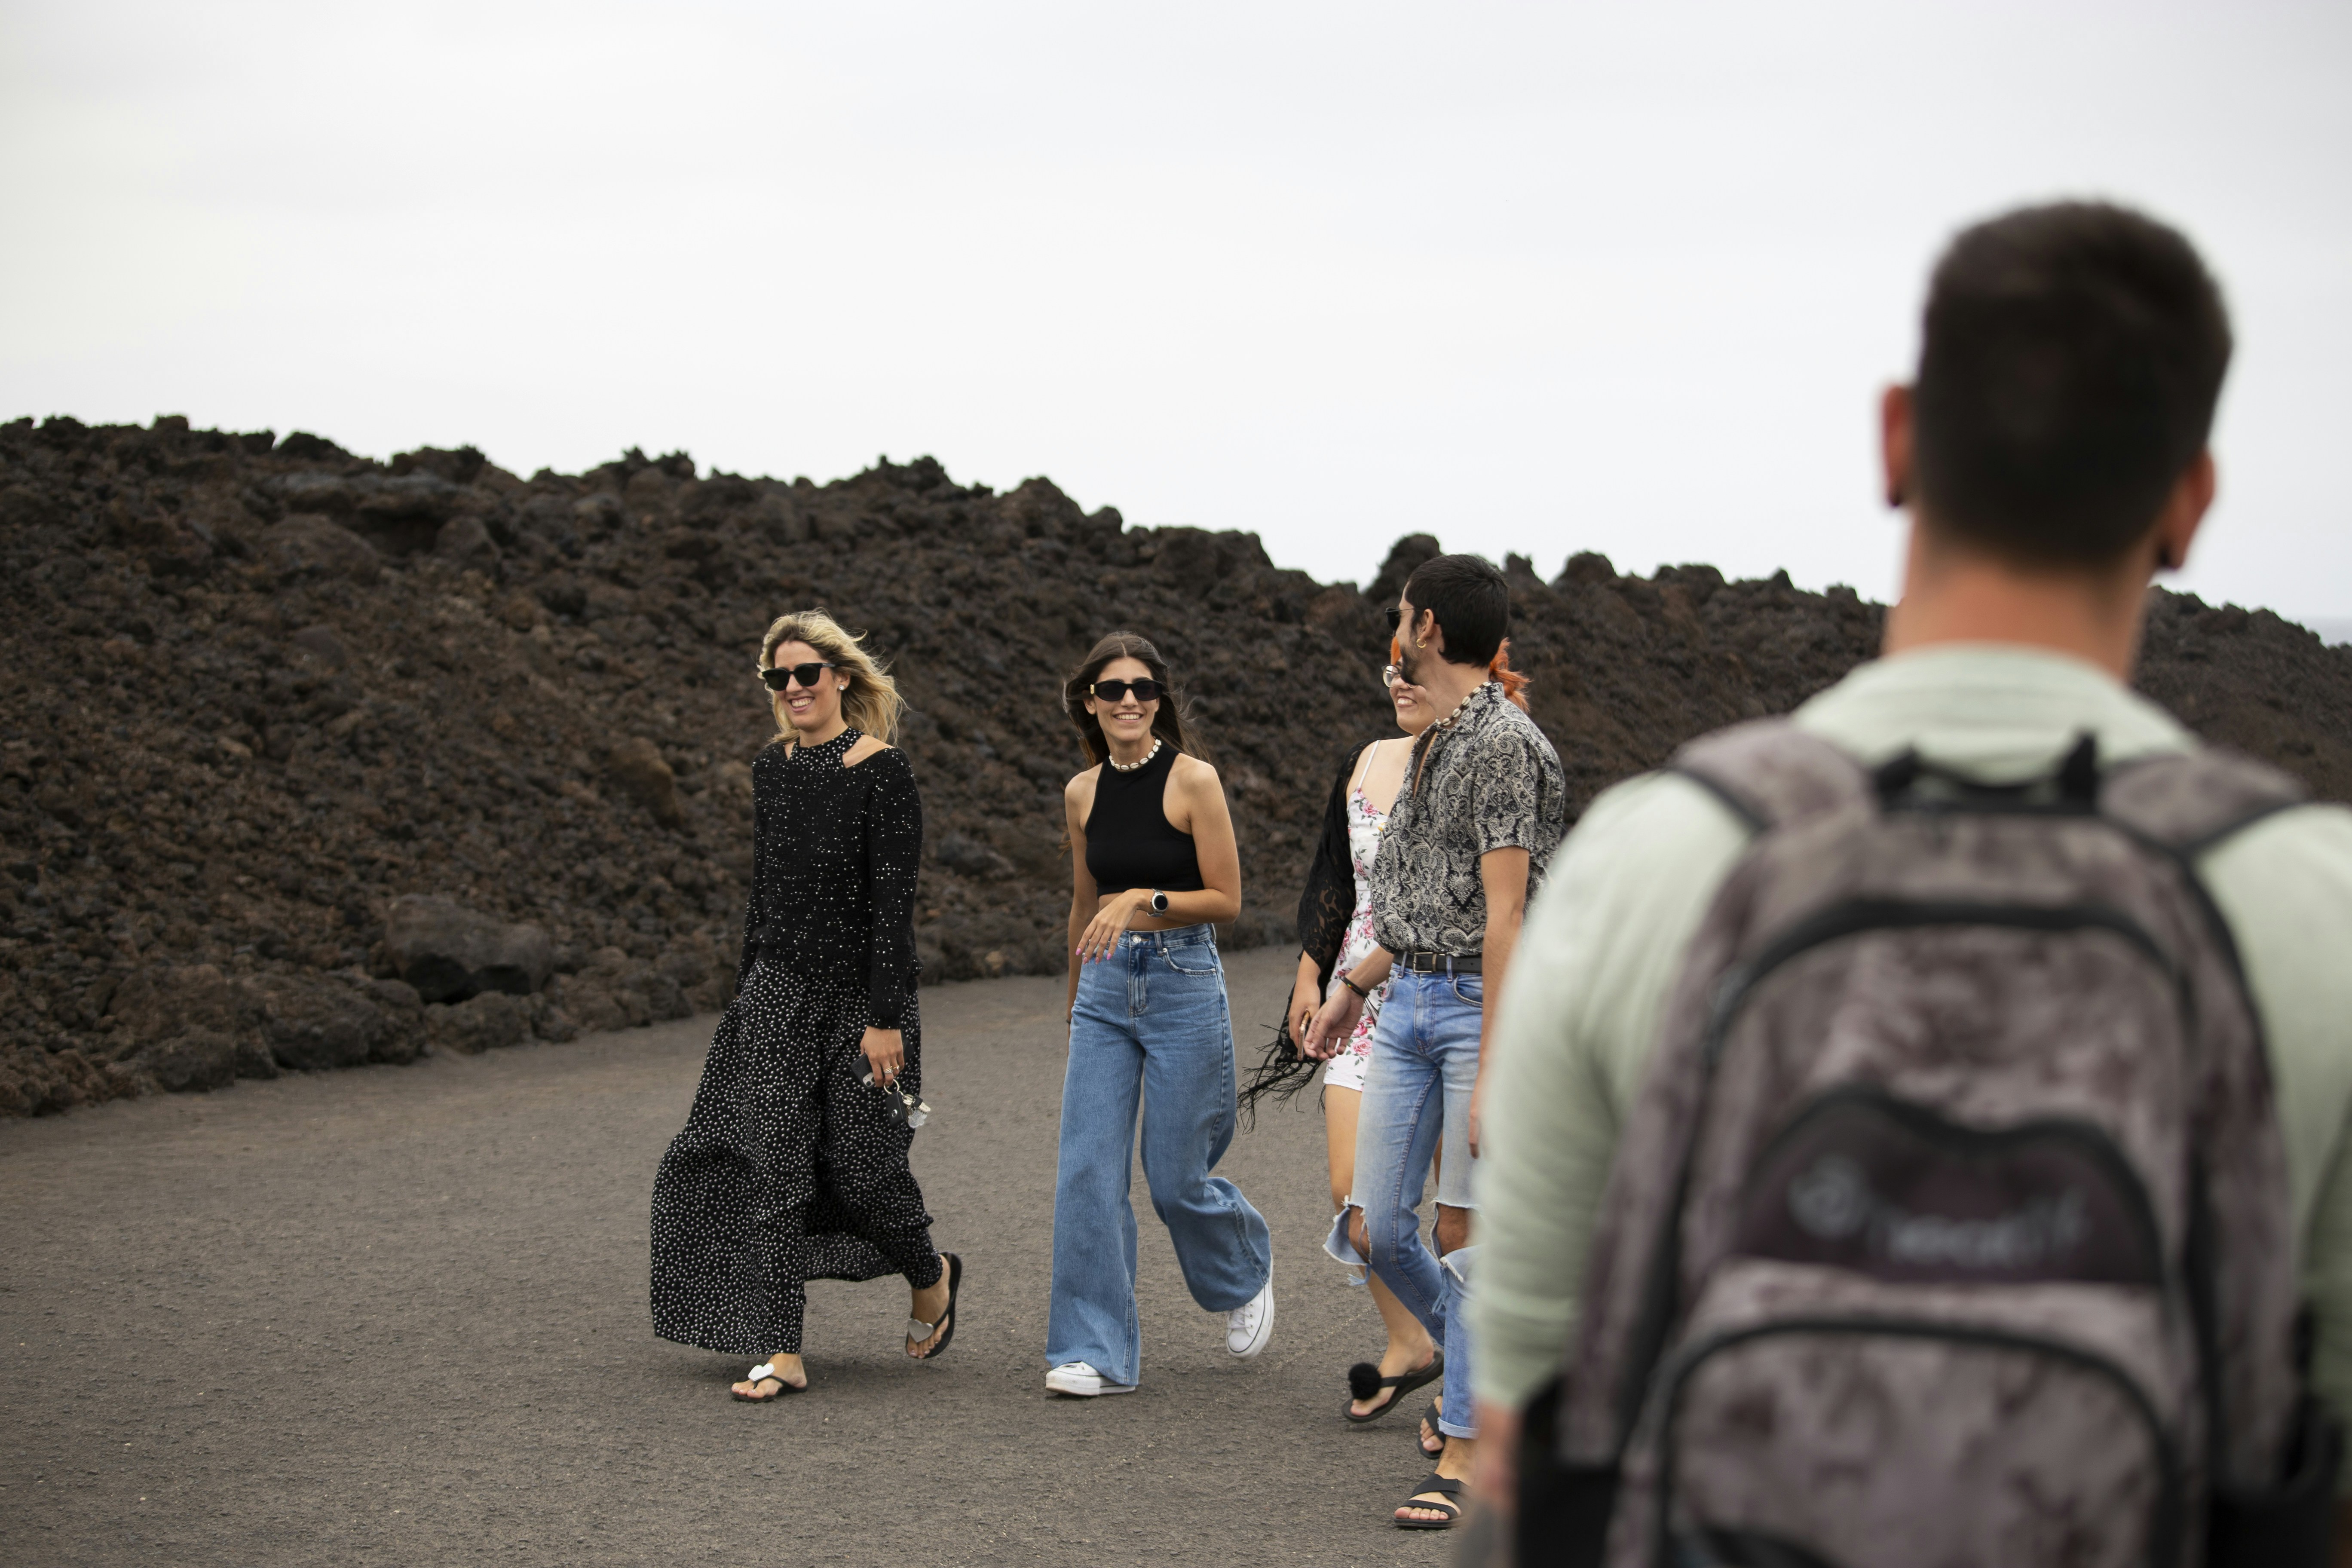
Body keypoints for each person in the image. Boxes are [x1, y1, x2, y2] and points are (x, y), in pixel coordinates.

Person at [1469, 202, 2352, 1560]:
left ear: (1896, 440)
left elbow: (1530, 1438)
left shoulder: (1656, 861)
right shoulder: (2311, 909)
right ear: (2190, 502)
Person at [1305, 564, 1567, 1528]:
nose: (1396, 631)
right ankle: (1498, 1367)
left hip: (1471, 1011)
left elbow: (1506, 917)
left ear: (1429, 626)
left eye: (1404, 615)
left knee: (1468, 1252)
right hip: (1405, 996)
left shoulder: (1504, 746)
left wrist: (1500, 1061)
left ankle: (1462, 1455)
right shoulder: (1437, 739)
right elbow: (1416, 896)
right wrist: (1351, 990)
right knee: (1374, 1225)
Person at [649, 609, 960, 1400]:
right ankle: (780, 1348)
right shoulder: (773, 768)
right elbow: (766, 894)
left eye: (806, 674)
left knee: (864, 1170)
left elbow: (894, 907)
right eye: (777, 678)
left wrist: (885, 1018)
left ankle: (930, 1272)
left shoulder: (884, 772)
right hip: (777, 997)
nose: (792, 688)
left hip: (862, 1002)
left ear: (842, 679)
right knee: (771, 1168)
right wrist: (746, 993)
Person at [1045, 632, 1274, 1398]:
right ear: (1091, 702)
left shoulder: (1193, 781)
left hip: (1182, 983)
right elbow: (1084, 905)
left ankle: (1241, 1271)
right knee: (1086, 1171)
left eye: (1144, 688)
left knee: (1175, 1177)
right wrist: (1076, 1003)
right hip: (1105, 994)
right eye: (1113, 690)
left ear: (1159, 699)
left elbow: (1229, 902)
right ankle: (1092, 1351)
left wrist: (1146, 901)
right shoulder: (1082, 793)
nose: (1130, 701)